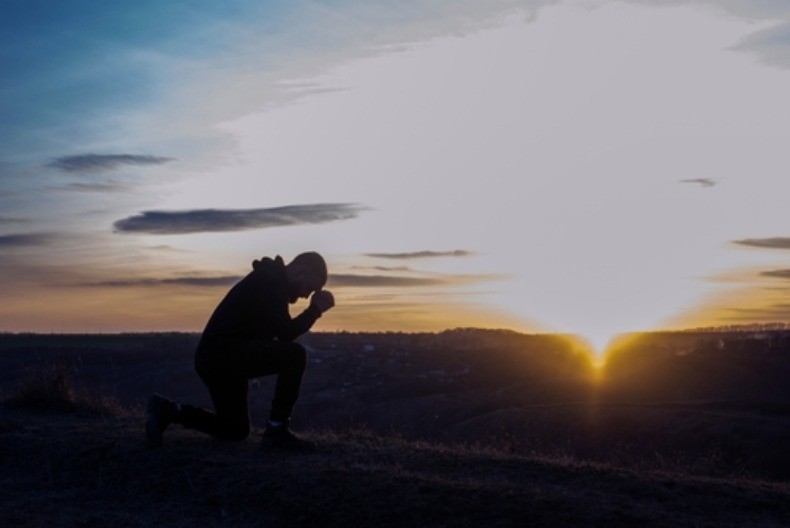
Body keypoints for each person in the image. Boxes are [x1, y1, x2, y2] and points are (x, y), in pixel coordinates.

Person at [145, 251, 335, 450]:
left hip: (216, 358)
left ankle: (168, 410)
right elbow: (285, 333)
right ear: (300, 272)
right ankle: (277, 430)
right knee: (295, 355)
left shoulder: (271, 282)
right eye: (309, 288)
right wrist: (315, 310)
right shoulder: (269, 282)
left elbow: (276, 332)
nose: (306, 295)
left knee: (235, 429)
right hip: (221, 355)